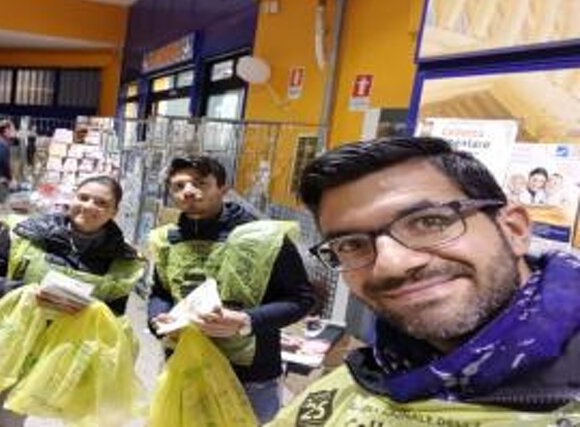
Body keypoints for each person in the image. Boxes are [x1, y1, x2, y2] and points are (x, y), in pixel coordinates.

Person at [272, 137, 580, 425]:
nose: (391, 265)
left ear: (513, 229)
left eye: (429, 221)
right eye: (351, 244)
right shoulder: (363, 378)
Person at [0, 175, 145, 427]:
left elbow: (113, 321)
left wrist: (89, 313)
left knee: (7, 422)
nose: (89, 206)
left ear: (114, 212)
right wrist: (24, 293)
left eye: (101, 203)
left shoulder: (122, 260)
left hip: (43, 358)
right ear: (72, 199)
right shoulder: (27, 231)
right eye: (83, 197)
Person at [147, 156, 316, 424]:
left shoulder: (264, 238)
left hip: (250, 377)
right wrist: (158, 319)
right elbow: (161, 291)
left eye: (200, 183)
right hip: (184, 365)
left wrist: (246, 320)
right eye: (179, 186)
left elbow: (301, 299)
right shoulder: (166, 239)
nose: (188, 191)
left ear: (223, 187)